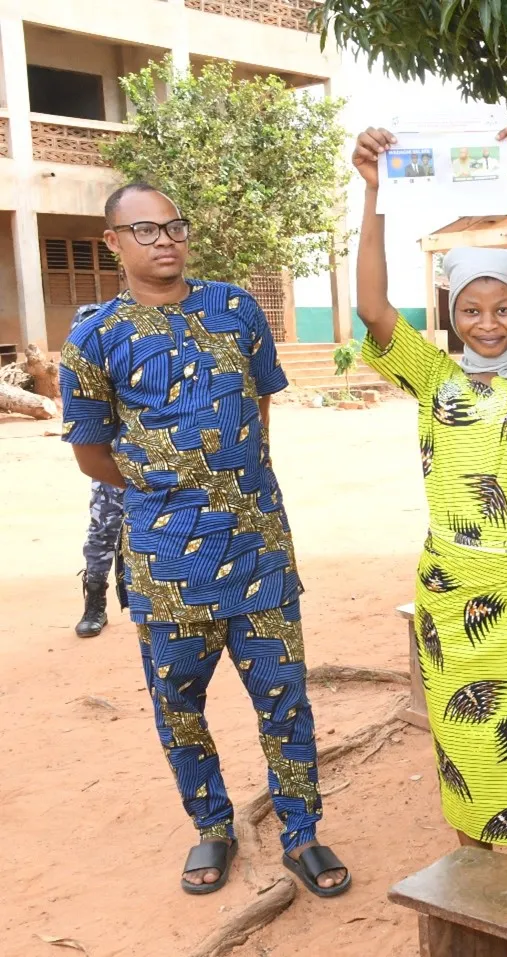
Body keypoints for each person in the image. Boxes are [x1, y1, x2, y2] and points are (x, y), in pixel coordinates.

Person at [59, 183, 349, 897]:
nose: (164, 239)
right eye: (145, 229)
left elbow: (258, 409)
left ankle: (302, 834)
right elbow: (92, 451)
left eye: (174, 226)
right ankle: (212, 828)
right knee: (180, 708)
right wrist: (168, 486)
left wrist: (231, 483)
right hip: (167, 564)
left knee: (285, 701)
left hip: (259, 551)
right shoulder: (94, 339)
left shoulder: (236, 308)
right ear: (114, 243)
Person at [351, 116, 507, 871]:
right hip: (453, 589)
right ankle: (478, 889)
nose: (487, 324)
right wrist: (372, 196)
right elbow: (371, 308)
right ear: (451, 314)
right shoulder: (432, 376)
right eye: (470, 309)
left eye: (501, 309)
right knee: (463, 743)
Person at [71, 302, 128, 638]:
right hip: (108, 465)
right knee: (103, 530)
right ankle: (95, 601)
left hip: (151, 462)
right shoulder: (81, 379)